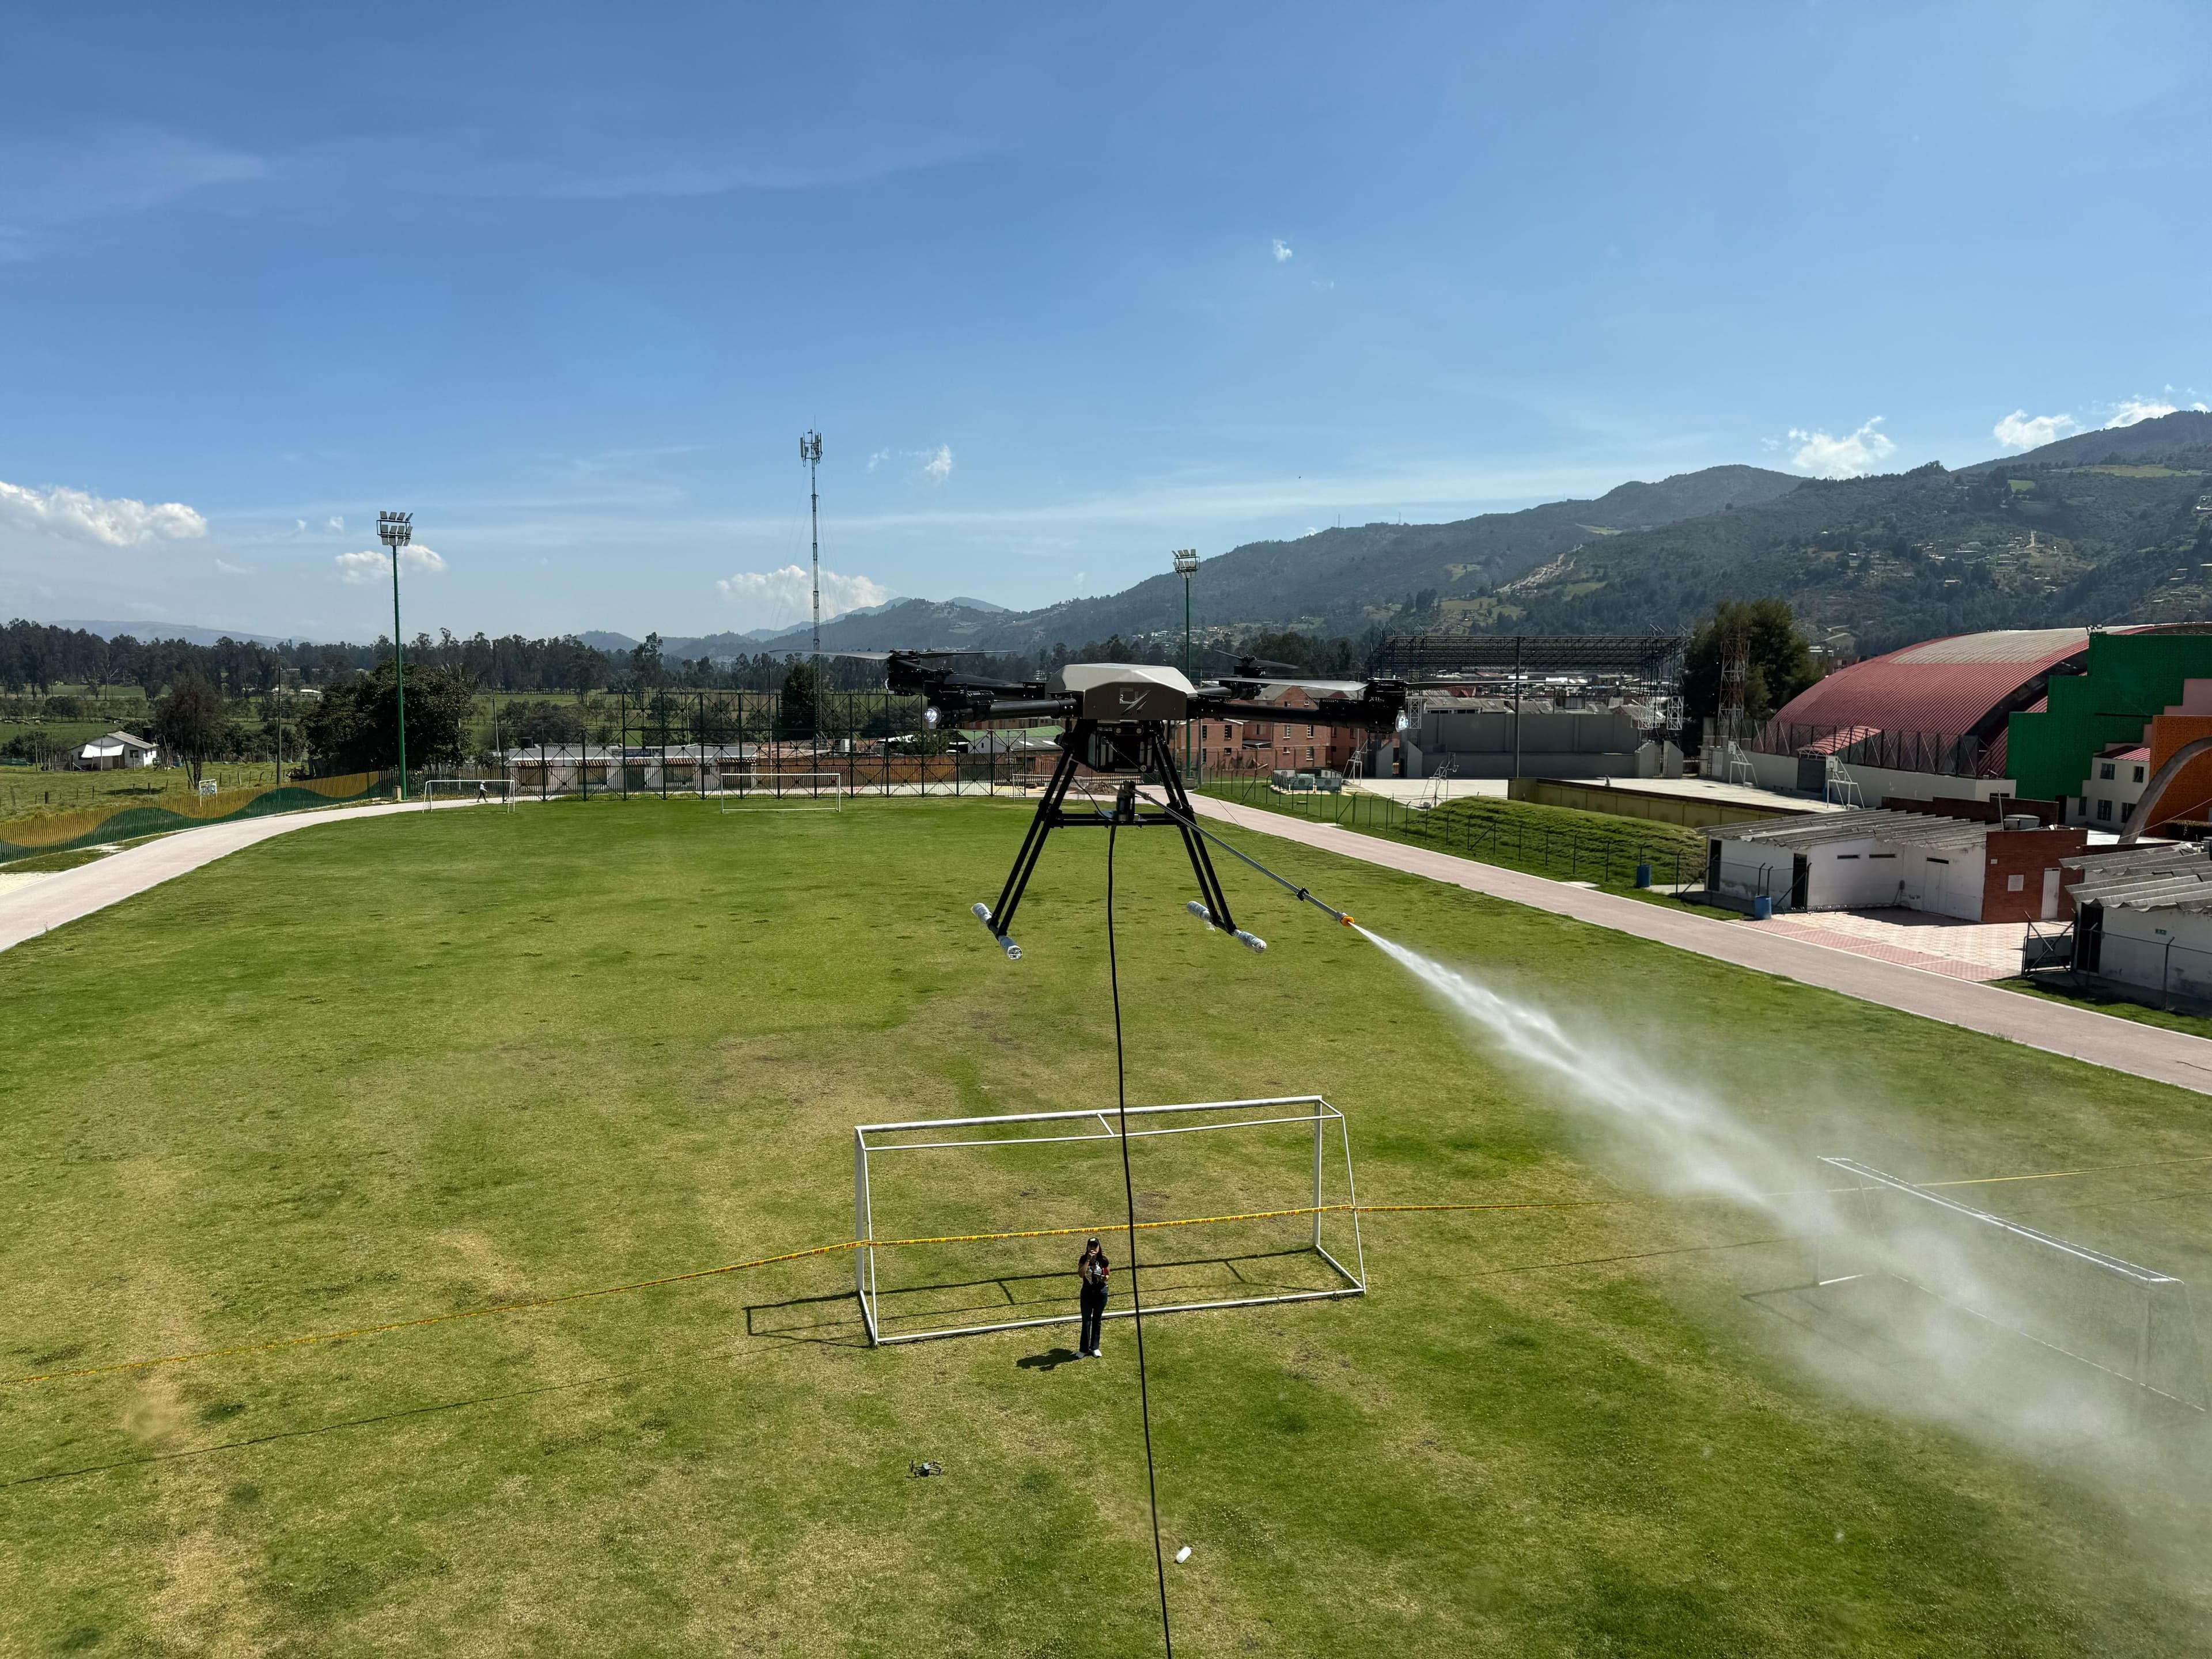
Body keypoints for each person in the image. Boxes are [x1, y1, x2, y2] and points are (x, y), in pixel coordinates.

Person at [1077, 1235, 1109, 1358]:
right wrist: (1088, 1261)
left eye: (1095, 1246)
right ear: (1087, 1247)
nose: (1093, 1248)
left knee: (1097, 1320)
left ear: (1099, 1248)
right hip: (1087, 1293)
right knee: (1086, 1321)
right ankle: (1083, 1349)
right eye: (1090, 1246)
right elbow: (1081, 1274)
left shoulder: (1104, 1260)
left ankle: (1095, 1347)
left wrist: (1102, 1278)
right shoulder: (1084, 1259)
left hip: (1100, 1293)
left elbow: (1107, 1276)